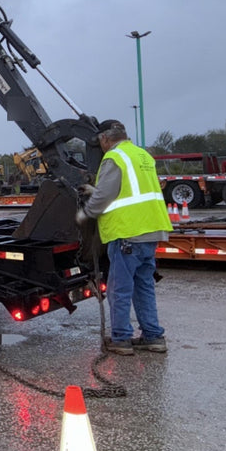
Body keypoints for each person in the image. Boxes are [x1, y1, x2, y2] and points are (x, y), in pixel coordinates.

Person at [77, 120, 173, 356]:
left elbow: (104, 198)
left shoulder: (114, 157)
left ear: (104, 139)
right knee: (144, 287)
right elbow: (131, 189)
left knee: (119, 289)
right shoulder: (142, 155)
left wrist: (86, 213)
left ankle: (120, 339)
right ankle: (153, 336)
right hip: (151, 230)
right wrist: (95, 190)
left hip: (127, 234)